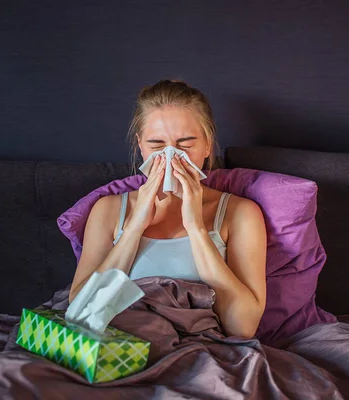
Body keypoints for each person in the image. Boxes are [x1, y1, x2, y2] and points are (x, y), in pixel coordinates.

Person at [68, 80, 267, 339]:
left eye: (185, 145)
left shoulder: (240, 214)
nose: (171, 157)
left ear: (207, 145)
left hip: (201, 353)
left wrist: (195, 228)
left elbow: (243, 327)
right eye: (157, 146)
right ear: (140, 147)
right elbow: (81, 314)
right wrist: (134, 227)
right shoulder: (107, 210)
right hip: (116, 352)